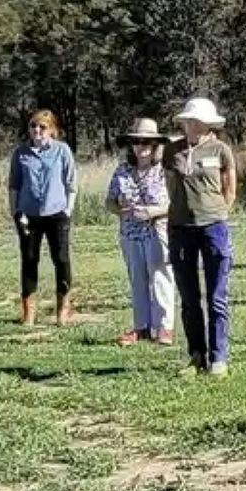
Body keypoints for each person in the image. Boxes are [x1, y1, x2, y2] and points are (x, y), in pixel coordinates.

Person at [167, 97, 239, 377]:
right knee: (188, 297)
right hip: (180, 228)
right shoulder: (171, 150)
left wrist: (220, 211)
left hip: (214, 227)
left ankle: (219, 357)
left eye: (195, 120)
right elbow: (167, 184)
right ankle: (196, 355)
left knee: (217, 296)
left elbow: (230, 188)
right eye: (187, 120)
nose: (190, 125)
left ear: (207, 124)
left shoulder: (221, 150)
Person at [106, 118, 178, 347]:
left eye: (147, 142)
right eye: (136, 142)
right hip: (130, 232)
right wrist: (121, 209)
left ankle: (164, 327)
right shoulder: (123, 170)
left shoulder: (165, 171)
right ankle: (141, 327)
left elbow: (177, 204)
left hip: (158, 229)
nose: (141, 146)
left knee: (161, 276)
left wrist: (153, 212)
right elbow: (109, 202)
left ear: (156, 145)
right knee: (137, 278)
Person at [7, 109, 79, 326]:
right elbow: (14, 186)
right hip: (28, 215)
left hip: (57, 213)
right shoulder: (20, 153)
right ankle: (29, 312)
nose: (37, 130)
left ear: (52, 130)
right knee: (29, 261)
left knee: (62, 260)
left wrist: (68, 210)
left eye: (42, 127)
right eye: (33, 126)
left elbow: (71, 183)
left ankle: (63, 309)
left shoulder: (62, 150)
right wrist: (15, 212)